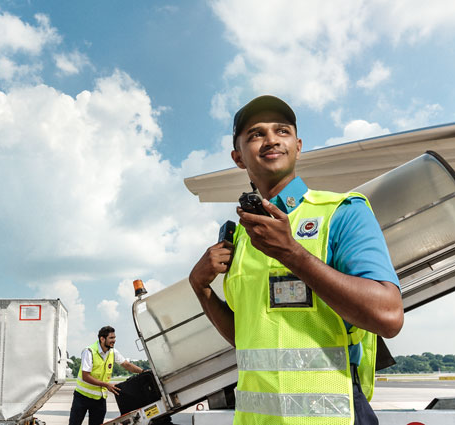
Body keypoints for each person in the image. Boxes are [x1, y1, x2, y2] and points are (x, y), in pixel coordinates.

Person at [189, 95, 403, 425]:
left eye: (282, 131)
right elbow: (248, 337)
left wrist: (293, 254)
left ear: (298, 146)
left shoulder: (341, 212)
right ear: (238, 157)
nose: (271, 139)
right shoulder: (242, 236)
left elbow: (388, 316)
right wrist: (201, 289)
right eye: (256, 134)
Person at [70, 326, 145, 425]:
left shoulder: (113, 352)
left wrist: (144, 372)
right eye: (111, 338)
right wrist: (106, 385)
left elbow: (127, 365)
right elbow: (85, 376)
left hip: (99, 399)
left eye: (114, 338)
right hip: (82, 398)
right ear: (102, 339)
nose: (114, 340)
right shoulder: (89, 352)